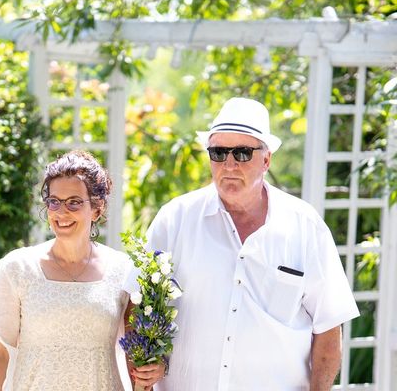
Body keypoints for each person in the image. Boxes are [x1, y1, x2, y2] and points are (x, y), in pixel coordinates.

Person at [125, 97, 360, 391]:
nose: (230, 164)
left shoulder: (305, 226)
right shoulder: (175, 220)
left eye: (243, 153)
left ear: (267, 159)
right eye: (219, 152)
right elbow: (135, 306)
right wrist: (145, 365)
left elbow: (328, 328)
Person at [0, 150, 132, 391]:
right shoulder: (17, 268)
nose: (61, 212)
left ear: (97, 209)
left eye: (74, 202)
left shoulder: (122, 270)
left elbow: (137, 353)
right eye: (54, 202)